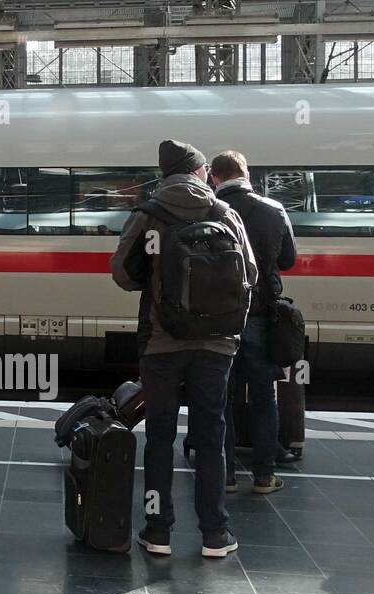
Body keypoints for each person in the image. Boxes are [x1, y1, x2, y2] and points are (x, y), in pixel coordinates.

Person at [111, 140, 257, 558]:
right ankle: (215, 532)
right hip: (216, 344)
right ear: (197, 172)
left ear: (164, 174)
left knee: (159, 434)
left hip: (161, 341)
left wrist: (157, 284)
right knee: (212, 434)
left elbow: (122, 271)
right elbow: (250, 271)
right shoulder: (224, 212)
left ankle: (158, 531)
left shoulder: (148, 214)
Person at [211, 150, 298, 494]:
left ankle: (226, 475)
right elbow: (288, 259)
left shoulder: (209, 210)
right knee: (264, 395)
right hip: (261, 314)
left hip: (220, 316)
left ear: (215, 178)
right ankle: (264, 475)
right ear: (245, 173)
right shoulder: (272, 209)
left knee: (222, 397)